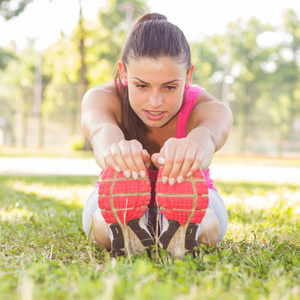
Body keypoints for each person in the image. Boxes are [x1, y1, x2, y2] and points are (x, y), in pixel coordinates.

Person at [81, 12, 232, 258]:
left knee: (207, 219)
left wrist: (191, 150)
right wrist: (117, 151)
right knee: (101, 216)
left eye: (170, 87)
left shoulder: (210, 109)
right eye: (141, 85)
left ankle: (188, 229)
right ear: (122, 73)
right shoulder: (101, 98)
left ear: (189, 76)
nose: (155, 102)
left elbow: (208, 137)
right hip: (116, 193)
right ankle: (122, 228)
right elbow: (101, 134)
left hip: (193, 196)